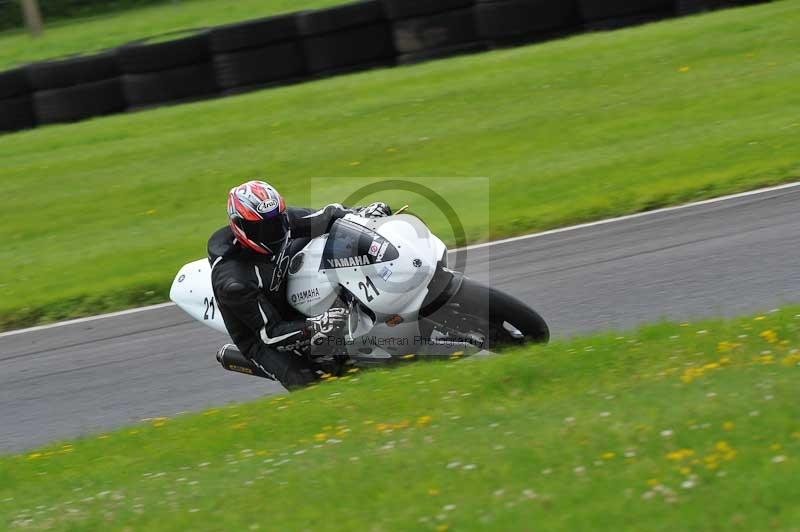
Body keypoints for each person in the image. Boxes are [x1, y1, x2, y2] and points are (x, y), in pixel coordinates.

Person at [208, 180, 391, 389]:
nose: (272, 233)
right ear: (239, 226)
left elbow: (327, 216)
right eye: (261, 229)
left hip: (285, 289)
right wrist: (316, 325)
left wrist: (361, 215)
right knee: (308, 382)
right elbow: (270, 333)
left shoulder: (281, 222)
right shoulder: (234, 281)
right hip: (263, 335)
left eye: (276, 222)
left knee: (335, 240)